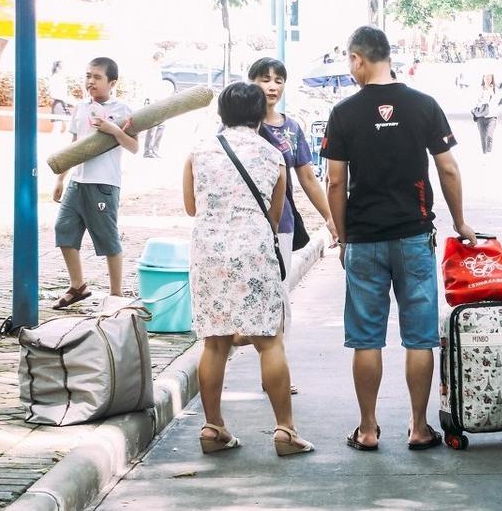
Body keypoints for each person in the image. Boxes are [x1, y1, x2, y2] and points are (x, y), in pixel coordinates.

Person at [322, 26, 477, 453]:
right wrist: (460, 222)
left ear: (358, 59)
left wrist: (343, 237)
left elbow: (335, 182)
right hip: (413, 236)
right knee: (420, 336)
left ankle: (367, 429)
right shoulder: (424, 105)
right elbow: (448, 168)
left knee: (366, 338)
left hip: (365, 240)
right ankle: (419, 427)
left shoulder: (344, 112)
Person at [183, 82, 313, 457]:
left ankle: (213, 427)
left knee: (214, 342)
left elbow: (191, 207)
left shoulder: (198, 152)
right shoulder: (273, 156)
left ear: (221, 114)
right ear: (259, 116)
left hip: (208, 253)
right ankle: (285, 431)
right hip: (254, 252)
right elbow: (275, 215)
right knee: (268, 340)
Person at [249, 58, 339, 393]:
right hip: (242, 226)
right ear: (250, 82)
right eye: (265, 79)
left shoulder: (292, 129)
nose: (272, 86)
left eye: (278, 80)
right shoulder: (237, 126)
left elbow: (308, 179)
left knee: (278, 297)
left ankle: (275, 374)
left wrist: (330, 218)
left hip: (281, 226)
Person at [51, 58, 137, 309]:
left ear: (112, 83)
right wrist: (61, 178)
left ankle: (116, 295)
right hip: (77, 181)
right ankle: (78, 286)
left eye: (97, 77)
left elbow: (134, 147)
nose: (90, 81)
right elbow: (74, 145)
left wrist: (115, 130)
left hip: (104, 185)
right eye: (88, 76)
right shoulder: (80, 107)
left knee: (108, 239)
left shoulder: (123, 110)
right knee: (63, 230)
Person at [141, 52, 167, 158]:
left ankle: (155, 150)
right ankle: (147, 151)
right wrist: (148, 101)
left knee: (161, 125)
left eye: (162, 62)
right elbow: (148, 88)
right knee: (152, 127)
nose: (160, 64)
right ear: (154, 60)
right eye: (159, 62)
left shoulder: (158, 71)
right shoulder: (150, 71)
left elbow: (158, 88)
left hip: (158, 101)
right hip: (151, 102)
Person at [473, 73, 501, 154]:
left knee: (489, 135)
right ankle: (484, 153)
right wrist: (484, 97)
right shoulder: (479, 89)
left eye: (490, 77)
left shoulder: (496, 89)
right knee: (483, 137)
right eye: (486, 77)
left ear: (492, 78)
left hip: (492, 117)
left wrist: (491, 92)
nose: (488, 79)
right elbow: (476, 102)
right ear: (483, 78)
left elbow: (496, 102)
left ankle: (489, 153)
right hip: (481, 116)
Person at [48, 60, 72, 135]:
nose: (64, 69)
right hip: (58, 104)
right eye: (63, 67)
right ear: (57, 68)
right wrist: (70, 101)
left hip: (63, 103)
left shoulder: (61, 78)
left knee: (68, 127)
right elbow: (53, 94)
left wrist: (69, 100)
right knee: (57, 127)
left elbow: (63, 93)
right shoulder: (54, 78)